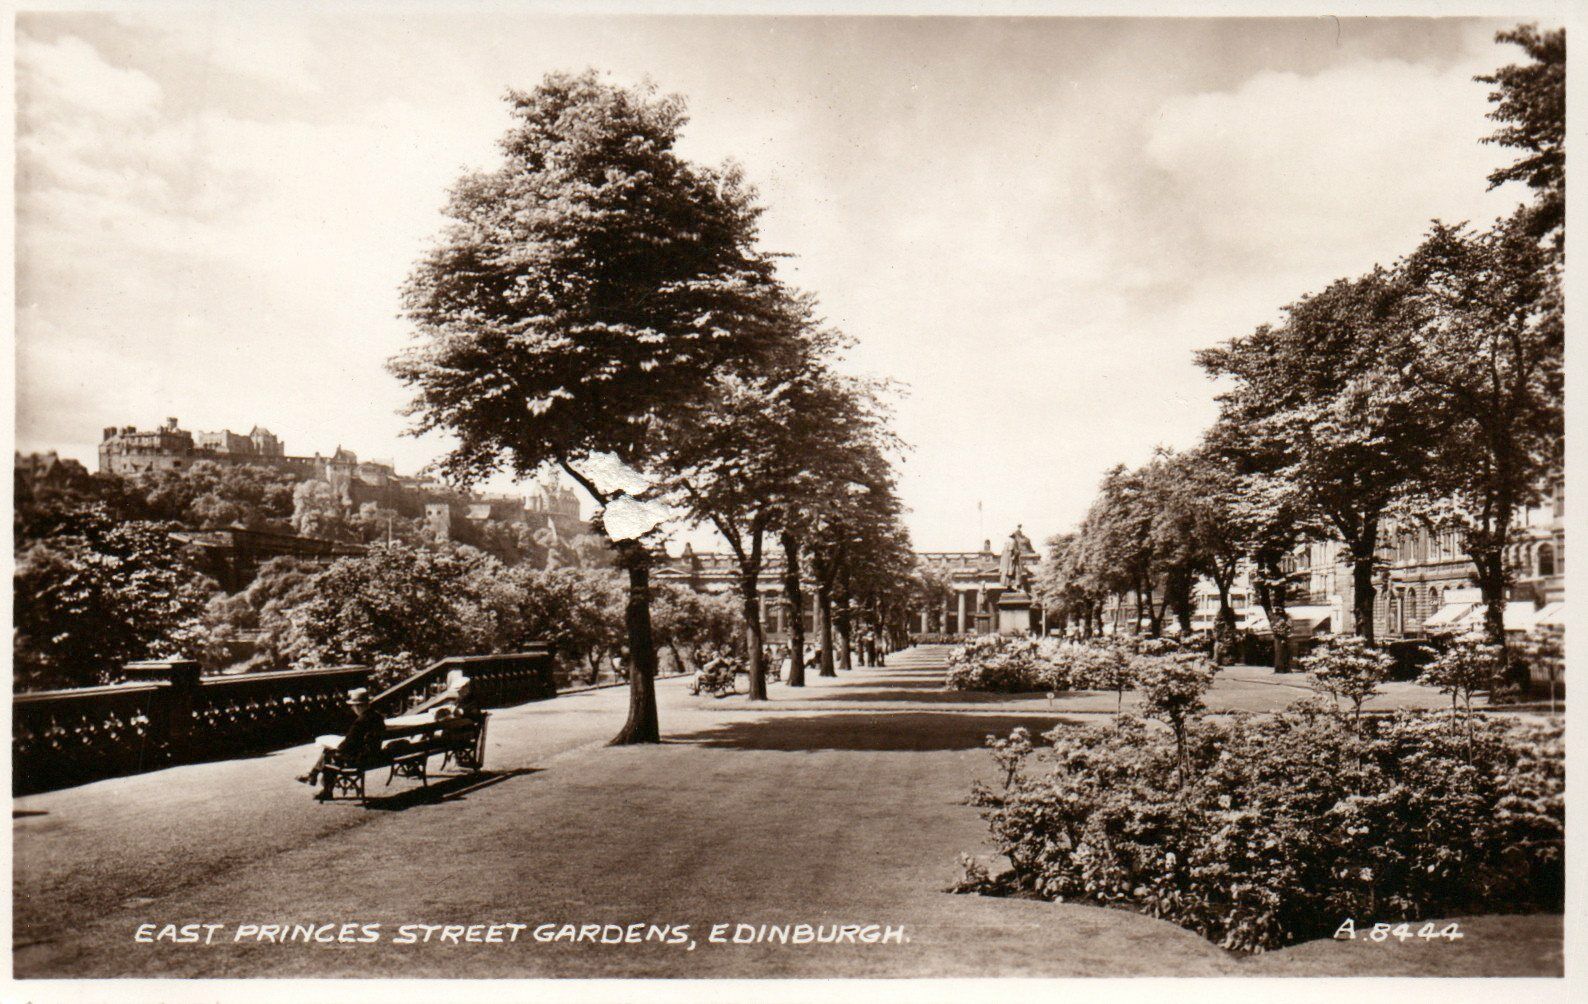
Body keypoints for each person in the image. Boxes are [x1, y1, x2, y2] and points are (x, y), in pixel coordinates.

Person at [300, 688, 386, 800]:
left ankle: (323, 787)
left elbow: (348, 744)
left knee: (329, 753)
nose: (352, 708)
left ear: (359, 706)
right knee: (331, 753)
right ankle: (313, 776)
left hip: (361, 759)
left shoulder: (360, 722)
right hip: (374, 754)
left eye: (353, 706)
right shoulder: (378, 717)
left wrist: (336, 747)